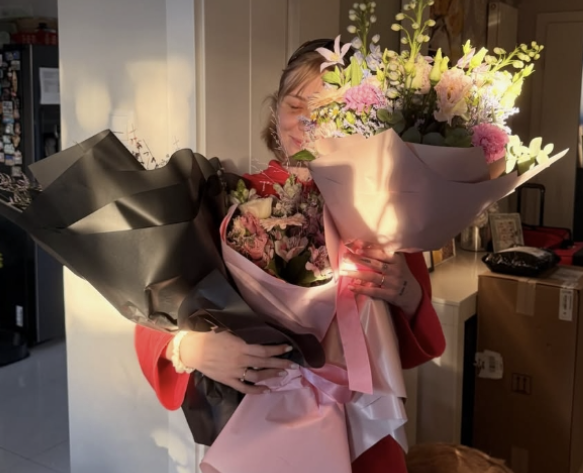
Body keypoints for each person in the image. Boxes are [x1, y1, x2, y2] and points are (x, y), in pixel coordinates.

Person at [134, 39, 446, 473]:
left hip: (361, 432)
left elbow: (412, 344)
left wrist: (404, 292)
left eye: (328, 111)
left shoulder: (381, 210)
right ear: (274, 110)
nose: (305, 122)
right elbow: (154, 310)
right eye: (294, 104)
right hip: (258, 429)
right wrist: (192, 348)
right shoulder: (230, 198)